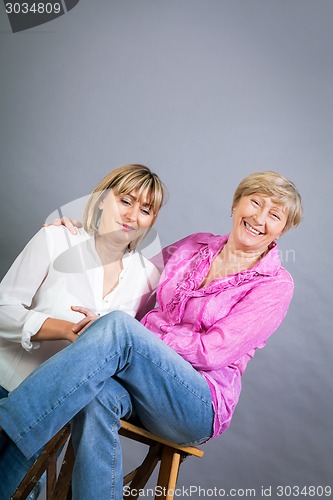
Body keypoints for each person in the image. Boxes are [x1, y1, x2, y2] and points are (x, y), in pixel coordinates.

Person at [0, 171, 303, 500]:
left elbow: (212, 352)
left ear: (282, 230)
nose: (260, 218)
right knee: (95, 393)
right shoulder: (194, 246)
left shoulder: (275, 285)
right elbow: (130, 269)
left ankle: (7, 424)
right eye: (255, 203)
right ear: (235, 205)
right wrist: (76, 235)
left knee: (118, 327)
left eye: (274, 215)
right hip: (142, 385)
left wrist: (138, 336)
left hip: (198, 403)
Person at [0, 164, 166, 498]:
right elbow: (3, 309)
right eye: (125, 200)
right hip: (7, 387)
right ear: (103, 199)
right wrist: (65, 329)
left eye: (145, 209)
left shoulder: (148, 277)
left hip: (54, 417)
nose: (133, 215)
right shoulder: (57, 238)